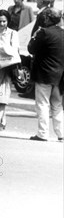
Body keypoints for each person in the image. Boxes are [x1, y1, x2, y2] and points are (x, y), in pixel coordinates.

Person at [28, 8, 64, 142]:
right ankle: (61, 133)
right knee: (57, 105)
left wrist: (36, 29)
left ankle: (43, 133)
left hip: (44, 73)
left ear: (48, 18)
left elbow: (31, 48)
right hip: (60, 75)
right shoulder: (62, 32)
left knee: (43, 104)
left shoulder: (43, 32)